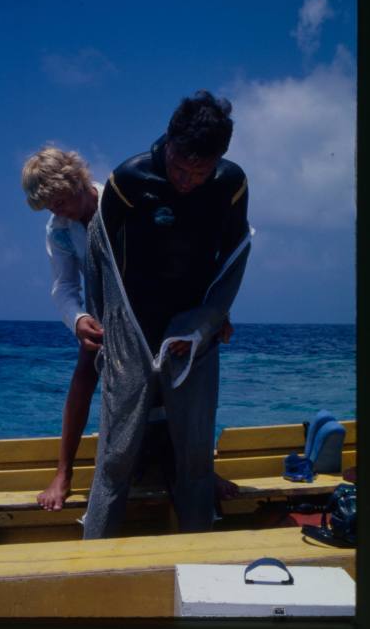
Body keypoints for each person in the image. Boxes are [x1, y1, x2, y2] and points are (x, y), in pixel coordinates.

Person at [83, 89, 252, 539]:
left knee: (196, 457)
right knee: (115, 459)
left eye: (200, 171)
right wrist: (99, 325)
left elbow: (235, 255)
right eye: (180, 167)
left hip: (192, 334)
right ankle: (92, 559)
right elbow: (97, 257)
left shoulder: (231, 184)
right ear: (169, 141)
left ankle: (200, 554)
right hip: (131, 329)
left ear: (218, 160)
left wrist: (211, 320)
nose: (187, 179)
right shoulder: (129, 178)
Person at [21, 146, 104, 510]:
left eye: (61, 201)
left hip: (149, 304)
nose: (58, 211)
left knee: (176, 379)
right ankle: (64, 472)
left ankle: (196, 467)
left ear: (78, 180)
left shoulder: (121, 202)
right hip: (100, 307)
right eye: (50, 206)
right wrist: (79, 320)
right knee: (84, 373)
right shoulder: (58, 229)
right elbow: (65, 287)